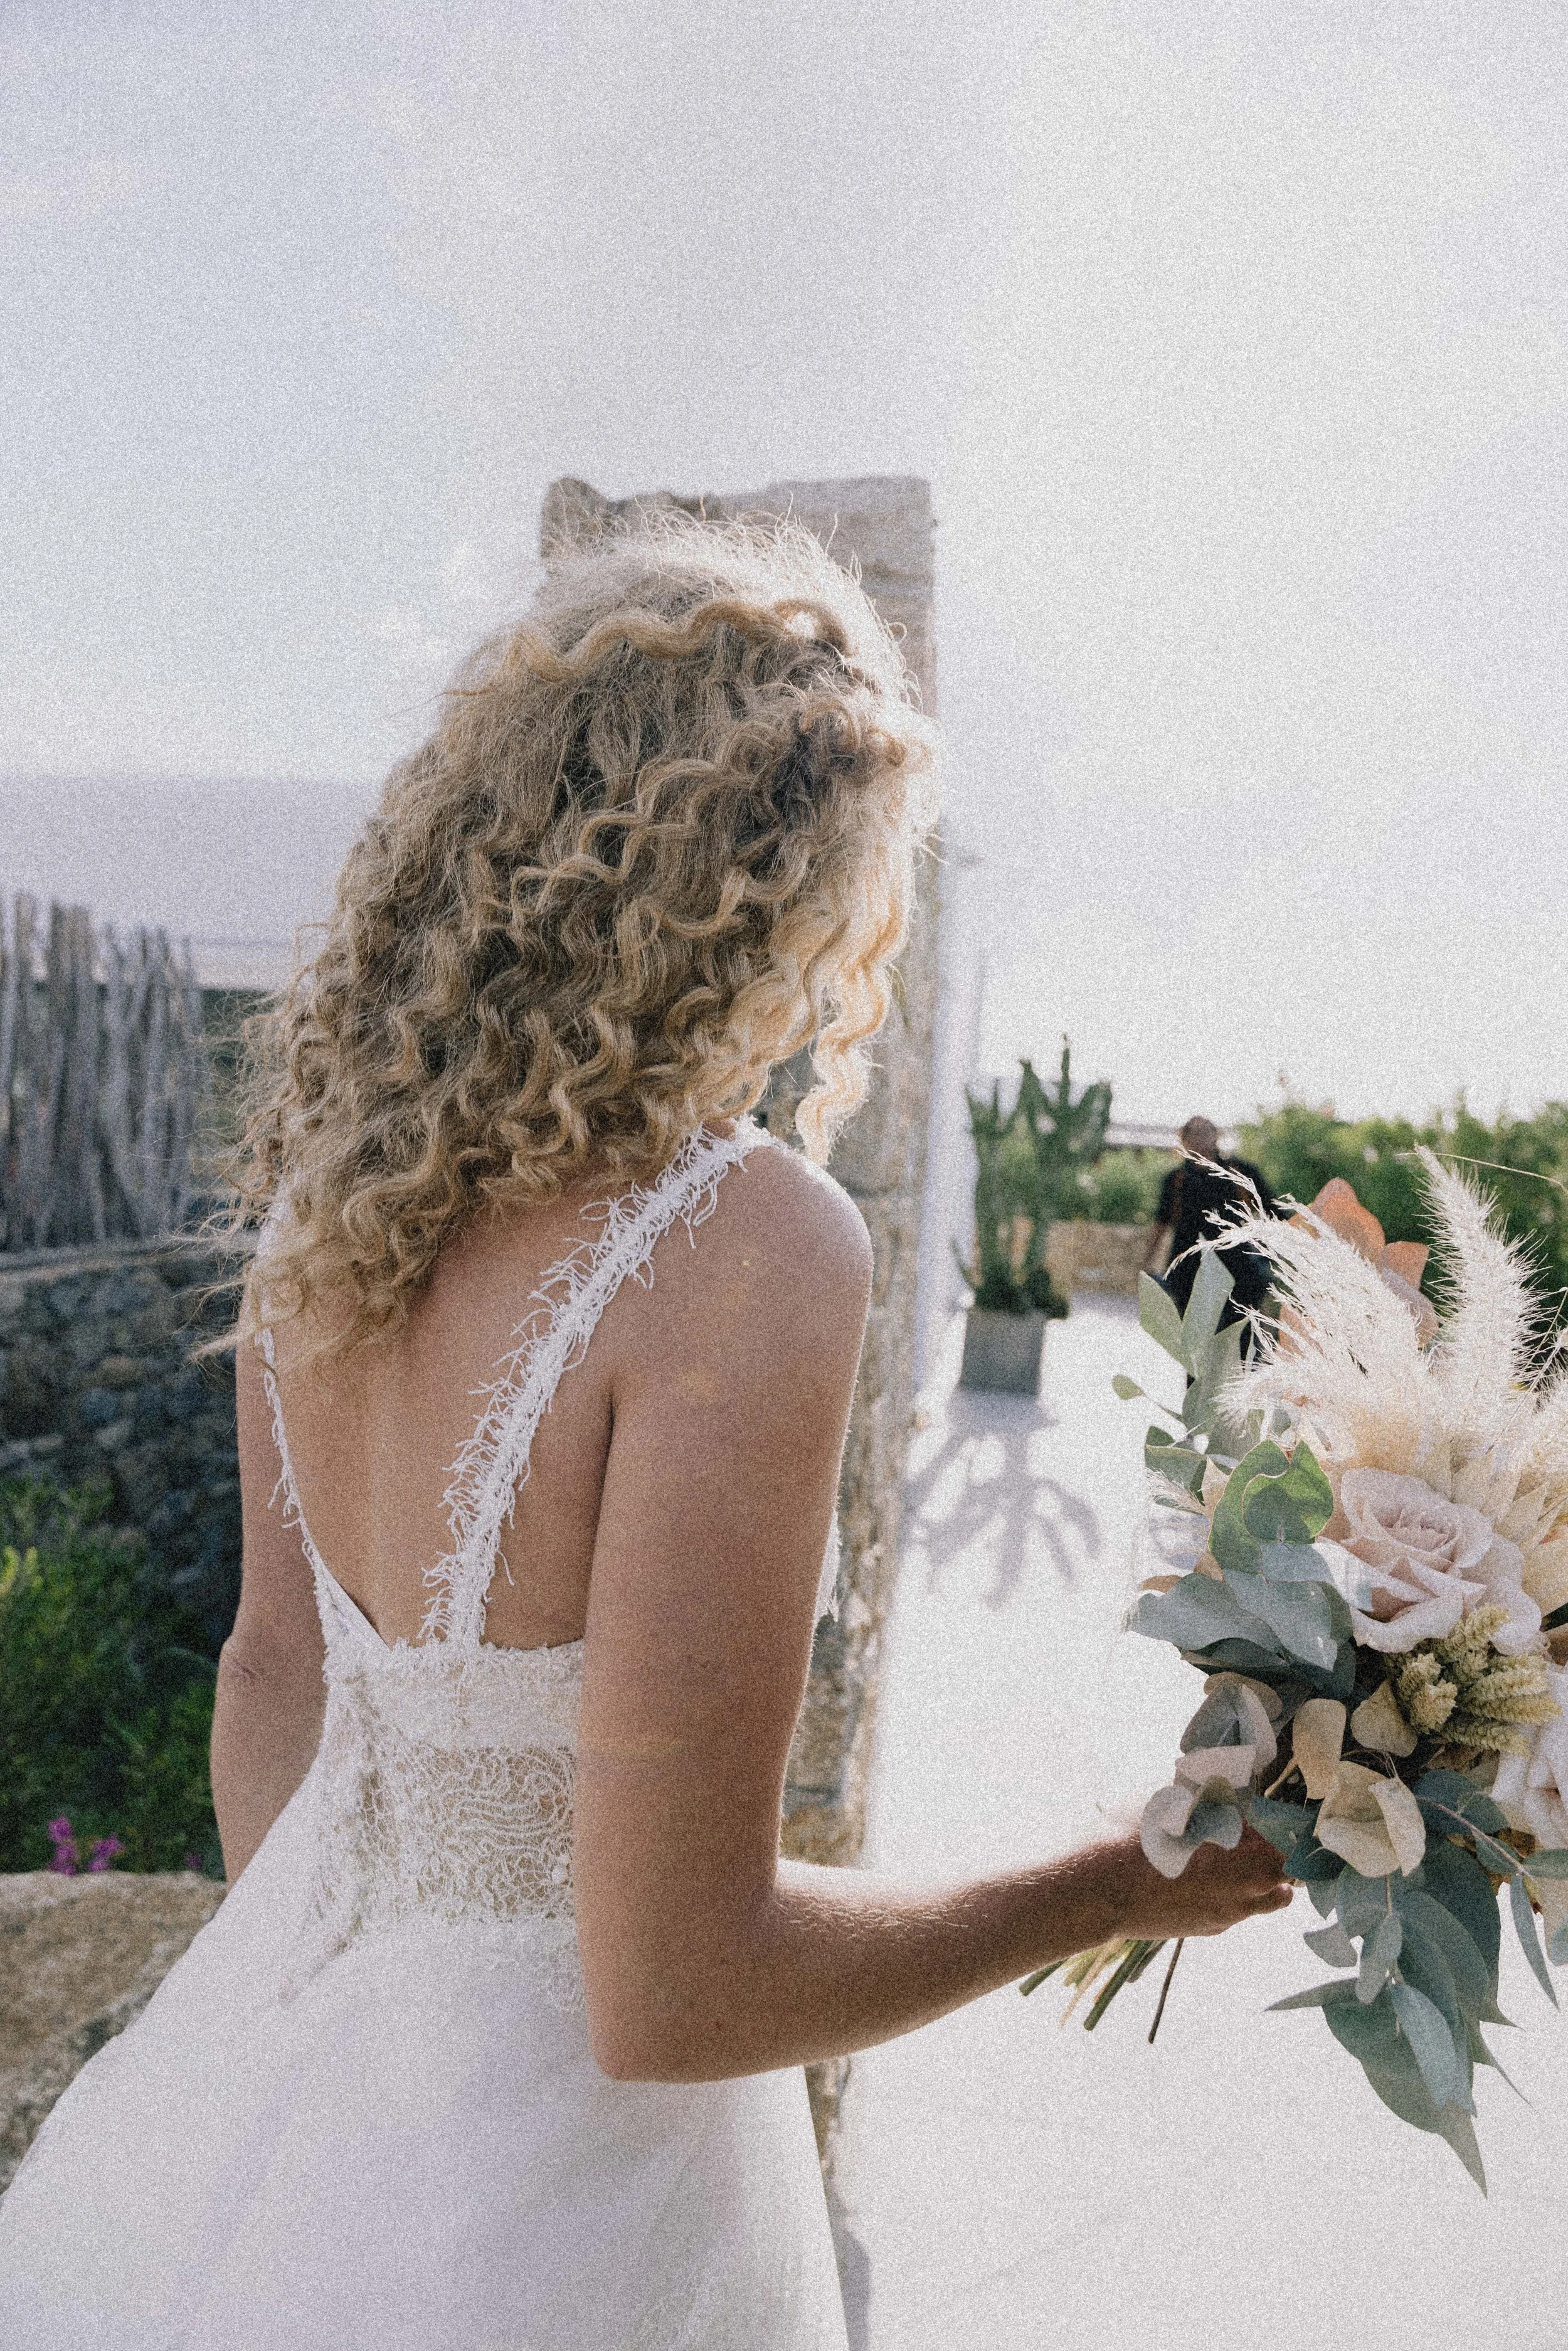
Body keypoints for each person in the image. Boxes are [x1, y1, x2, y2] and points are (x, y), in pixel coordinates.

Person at [0, 519, 1290, 2349]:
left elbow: (272, 1675)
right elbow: (678, 1990)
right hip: (558, 2228)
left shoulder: (326, 1219)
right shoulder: (740, 1245)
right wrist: (1119, 1879)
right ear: (771, 896)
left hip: (272, 2117)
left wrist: (327, 2078)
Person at [1145, 1115, 1281, 1326]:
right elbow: (1162, 1223)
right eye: (1193, 1134)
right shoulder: (1176, 1180)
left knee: (1239, 1332)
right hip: (1190, 1270)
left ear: (1216, 1136)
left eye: (1205, 1132)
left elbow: (1272, 1211)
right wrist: (1148, 1261)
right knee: (1194, 1334)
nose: (1199, 1139)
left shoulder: (1239, 1172)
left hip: (1237, 1267)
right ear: (1184, 1140)